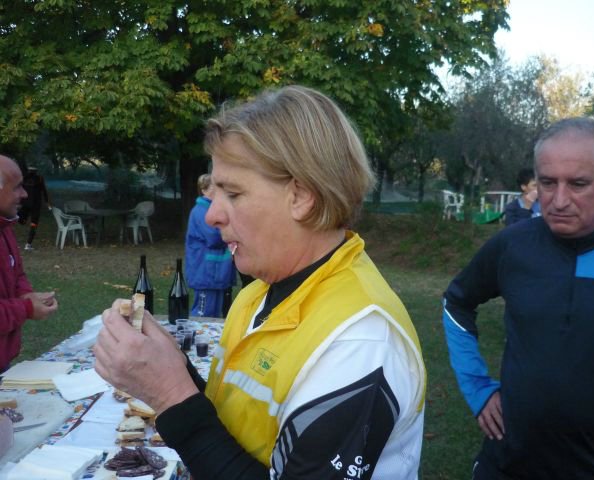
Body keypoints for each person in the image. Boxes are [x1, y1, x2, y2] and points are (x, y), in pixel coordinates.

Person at [94, 85, 426, 480]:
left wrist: (170, 395)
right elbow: (234, 421)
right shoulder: (257, 294)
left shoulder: (360, 343)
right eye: (215, 192)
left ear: (301, 196)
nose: (212, 215)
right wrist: (169, 367)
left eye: (233, 193)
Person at [442, 117, 594, 479]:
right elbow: (456, 302)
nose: (559, 201)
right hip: (507, 463)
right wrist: (477, 387)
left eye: (578, 184)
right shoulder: (512, 245)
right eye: (547, 183)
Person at [0, 156, 58, 372]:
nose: (24, 194)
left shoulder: (5, 227)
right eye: (16, 187)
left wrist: (27, 295)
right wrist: (26, 307)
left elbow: (16, 273)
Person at [185, 173, 236, 318]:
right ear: (204, 190)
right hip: (205, 272)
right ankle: (196, 333)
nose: (219, 191)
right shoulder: (200, 211)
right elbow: (213, 237)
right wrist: (233, 232)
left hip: (216, 271)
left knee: (214, 314)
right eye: (215, 187)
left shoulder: (212, 209)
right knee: (203, 314)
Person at [18, 166, 50, 251]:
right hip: (35, 205)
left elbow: (18, 190)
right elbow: (44, 191)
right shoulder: (39, 179)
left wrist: (18, 202)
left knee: (20, 219)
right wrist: (47, 202)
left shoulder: (23, 179)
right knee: (34, 223)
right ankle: (28, 244)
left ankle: (22, 221)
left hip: (26, 203)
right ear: (36, 171)